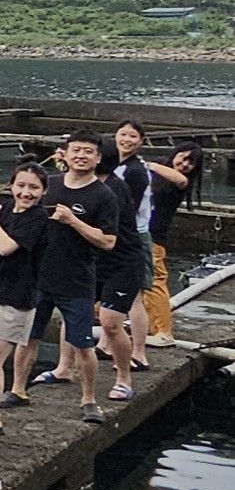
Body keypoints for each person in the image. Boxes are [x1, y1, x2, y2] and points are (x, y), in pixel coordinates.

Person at [22, 130, 119, 424]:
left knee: (83, 344)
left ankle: (89, 399)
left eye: (88, 151)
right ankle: (17, 389)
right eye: (76, 150)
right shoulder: (48, 185)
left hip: (77, 280)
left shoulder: (104, 195)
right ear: (64, 153)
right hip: (39, 276)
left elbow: (108, 241)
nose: (81, 156)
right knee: (28, 338)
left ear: (97, 157)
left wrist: (73, 220)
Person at [0, 163, 51, 436]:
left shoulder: (38, 218)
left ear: (43, 191)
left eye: (33, 187)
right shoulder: (6, 208)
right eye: (21, 186)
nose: (26, 193)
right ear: (12, 185)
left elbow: (6, 247)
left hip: (17, 298)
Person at [94, 139, 146, 401]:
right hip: (94, 261)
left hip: (123, 262)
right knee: (74, 315)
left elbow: (105, 236)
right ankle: (63, 368)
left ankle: (124, 377)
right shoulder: (77, 184)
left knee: (111, 322)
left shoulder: (113, 189)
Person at [142, 142, 202, 348]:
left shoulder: (180, 182)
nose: (184, 164)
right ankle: (151, 326)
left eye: (190, 163)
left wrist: (145, 164)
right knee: (140, 283)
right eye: (182, 157)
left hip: (155, 237)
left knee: (156, 281)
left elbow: (180, 178)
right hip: (139, 233)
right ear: (174, 154)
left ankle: (163, 331)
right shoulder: (157, 170)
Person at [113, 122, 156, 368]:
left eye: (132, 136)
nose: (126, 139)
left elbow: (127, 207)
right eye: (123, 134)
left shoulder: (136, 170)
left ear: (141, 140)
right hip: (119, 234)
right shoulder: (117, 165)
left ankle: (139, 351)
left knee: (135, 295)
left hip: (134, 236)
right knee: (110, 294)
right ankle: (107, 344)